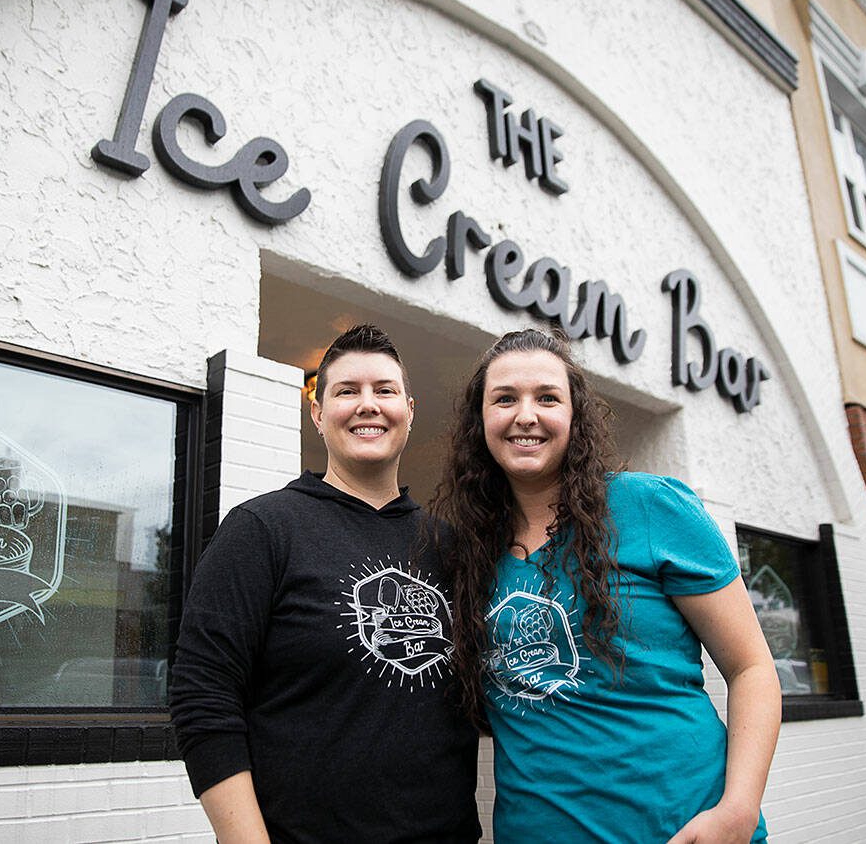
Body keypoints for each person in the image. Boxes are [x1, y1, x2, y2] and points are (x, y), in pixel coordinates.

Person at [432, 328, 780, 843]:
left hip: (686, 830)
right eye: (504, 399)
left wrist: (739, 809)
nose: (525, 415)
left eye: (547, 398)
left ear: (575, 415)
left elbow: (751, 667)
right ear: (480, 420)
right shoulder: (469, 557)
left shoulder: (648, 507)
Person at [169, 324, 481, 844]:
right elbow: (203, 697)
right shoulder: (263, 529)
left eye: (384, 390)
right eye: (346, 391)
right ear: (318, 413)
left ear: (409, 410)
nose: (368, 405)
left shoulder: (452, 548)